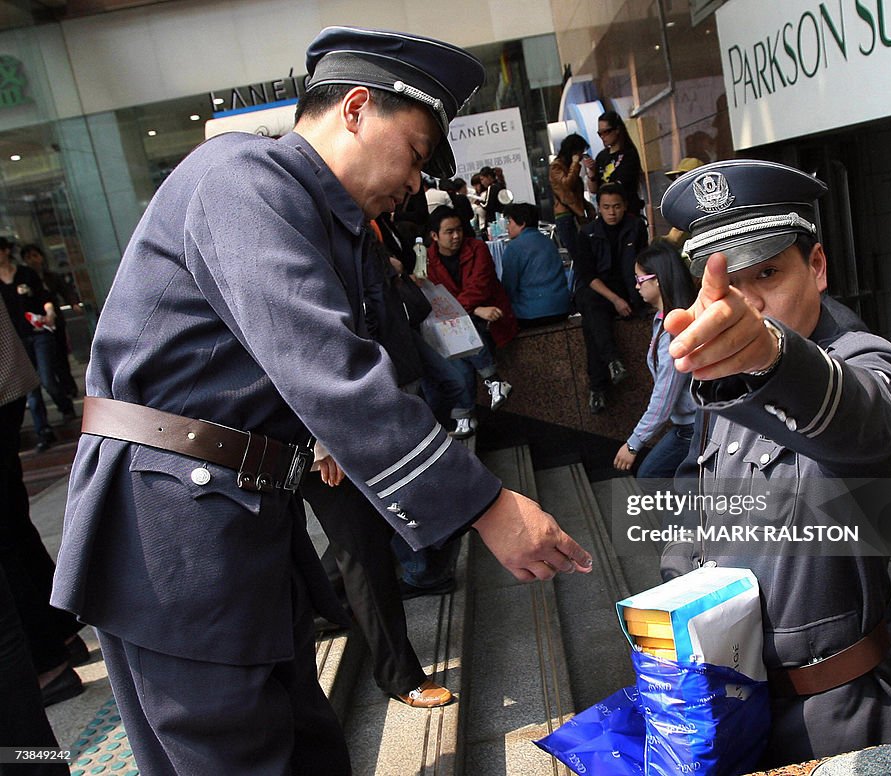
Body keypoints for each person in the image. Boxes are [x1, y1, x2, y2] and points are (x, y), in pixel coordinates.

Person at [51, 26, 592, 776]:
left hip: (238, 520)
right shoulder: (243, 179)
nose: (418, 181)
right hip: (174, 535)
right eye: (416, 151)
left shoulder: (312, 210)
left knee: (304, 750)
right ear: (358, 108)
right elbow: (326, 367)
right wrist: (486, 504)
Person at [658, 159, 891, 766]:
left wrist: (774, 357)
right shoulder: (722, 371)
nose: (750, 302)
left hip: (838, 716)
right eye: (728, 282)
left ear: (818, 266)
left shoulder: (864, 360)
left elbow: (867, 421)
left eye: (770, 272)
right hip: (729, 701)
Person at [0, 296, 87, 713]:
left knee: (5, 537)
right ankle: (61, 637)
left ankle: (48, 662)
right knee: (12, 525)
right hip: (7, 382)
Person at [612, 239, 697, 478]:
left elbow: (665, 394)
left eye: (640, 279)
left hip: (694, 426)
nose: (636, 286)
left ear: (657, 279)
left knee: (651, 475)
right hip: (689, 424)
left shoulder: (674, 328)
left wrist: (633, 444)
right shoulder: (664, 319)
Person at [426, 204, 517, 412]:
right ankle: (492, 380)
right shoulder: (427, 259)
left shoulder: (477, 248)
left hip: (491, 321)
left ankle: (463, 413)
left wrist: (466, 311)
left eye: (458, 229)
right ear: (434, 235)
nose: (456, 236)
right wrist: (474, 310)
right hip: (462, 320)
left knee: (459, 330)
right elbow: (434, 296)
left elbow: (479, 288)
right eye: (449, 232)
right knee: (456, 343)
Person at [574, 182, 649, 414]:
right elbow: (588, 276)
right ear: (599, 207)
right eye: (606, 207)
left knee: (591, 324)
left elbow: (643, 263)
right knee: (590, 303)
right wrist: (615, 300)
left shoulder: (636, 227)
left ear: (624, 206)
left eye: (616, 206)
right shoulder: (587, 233)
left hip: (628, 288)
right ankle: (612, 361)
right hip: (599, 290)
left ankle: (598, 386)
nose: (611, 212)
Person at [0, 238, 76, 451]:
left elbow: (45, 296)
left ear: (6, 251)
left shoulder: (26, 274)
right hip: (15, 342)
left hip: (38, 332)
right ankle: (43, 430)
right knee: (30, 389)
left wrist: (49, 312)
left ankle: (64, 404)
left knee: (46, 378)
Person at [21, 243, 80, 400]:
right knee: (49, 361)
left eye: (35, 256)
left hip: (55, 322)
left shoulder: (51, 276)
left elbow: (65, 290)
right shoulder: (24, 279)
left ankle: (68, 386)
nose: (32, 260)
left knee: (61, 356)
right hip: (37, 325)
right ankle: (60, 388)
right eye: (28, 257)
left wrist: (73, 303)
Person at [500, 203, 570, 327]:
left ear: (522, 223)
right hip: (561, 307)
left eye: (510, 222)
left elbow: (509, 286)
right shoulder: (548, 241)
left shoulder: (513, 248)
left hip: (531, 313)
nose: (507, 227)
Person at [583, 111, 644, 217]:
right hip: (607, 216)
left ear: (617, 130)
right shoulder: (601, 156)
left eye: (606, 132)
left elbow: (621, 185)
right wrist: (592, 171)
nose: (602, 137)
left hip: (627, 212)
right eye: (599, 133)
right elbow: (593, 189)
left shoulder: (629, 154)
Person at [548, 132, 594, 265]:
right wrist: (574, 164)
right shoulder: (556, 167)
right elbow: (567, 185)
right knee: (578, 255)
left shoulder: (569, 167)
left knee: (586, 252)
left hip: (577, 215)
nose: (580, 157)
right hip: (566, 216)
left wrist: (587, 207)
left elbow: (575, 193)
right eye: (580, 153)